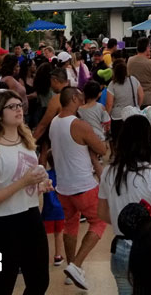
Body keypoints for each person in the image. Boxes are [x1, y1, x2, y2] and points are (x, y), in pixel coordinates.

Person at [0, 88, 52, 295]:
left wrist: (37, 186)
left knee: (39, 281)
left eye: (20, 105)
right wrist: (23, 182)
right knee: (1, 288)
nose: (19, 109)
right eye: (12, 107)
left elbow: (22, 185)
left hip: (29, 218)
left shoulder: (26, 143)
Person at [98, 113, 151, 295]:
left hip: (119, 250)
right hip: (148, 247)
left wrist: (121, 220)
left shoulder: (109, 172)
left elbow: (101, 212)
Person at [50, 86, 109, 289]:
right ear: (74, 98)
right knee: (99, 221)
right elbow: (102, 149)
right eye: (80, 96)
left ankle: (70, 269)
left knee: (71, 224)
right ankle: (76, 264)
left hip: (63, 186)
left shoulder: (54, 122)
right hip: (83, 184)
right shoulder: (79, 125)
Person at [107, 58, 144, 146]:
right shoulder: (133, 80)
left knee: (119, 142)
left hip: (118, 117)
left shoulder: (112, 84)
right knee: (132, 141)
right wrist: (137, 106)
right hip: (133, 115)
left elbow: (109, 104)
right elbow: (141, 95)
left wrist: (107, 117)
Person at [41, 152, 67, 268]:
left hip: (48, 210)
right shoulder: (64, 175)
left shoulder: (46, 175)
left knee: (44, 235)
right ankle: (58, 256)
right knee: (59, 234)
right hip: (61, 210)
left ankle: (43, 256)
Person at [127, 38, 151, 107]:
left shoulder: (130, 60)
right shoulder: (150, 63)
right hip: (150, 98)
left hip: (136, 98)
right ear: (147, 48)